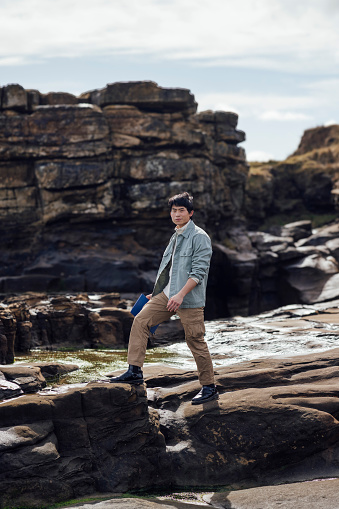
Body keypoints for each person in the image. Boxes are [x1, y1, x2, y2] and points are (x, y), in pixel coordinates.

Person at [110, 192, 218, 405]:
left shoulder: (200, 237)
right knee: (140, 321)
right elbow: (169, 269)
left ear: (190, 213)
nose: (177, 214)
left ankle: (209, 387)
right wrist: (158, 291)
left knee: (195, 340)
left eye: (181, 211)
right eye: (174, 210)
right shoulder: (175, 235)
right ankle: (134, 371)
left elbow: (198, 272)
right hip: (167, 295)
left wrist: (180, 294)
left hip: (187, 298)